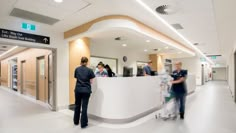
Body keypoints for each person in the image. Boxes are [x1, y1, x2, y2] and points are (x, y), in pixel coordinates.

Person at [73, 57, 95, 128]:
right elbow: (91, 81)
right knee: (84, 107)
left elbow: (77, 78)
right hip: (86, 90)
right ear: (87, 62)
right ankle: (83, 124)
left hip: (78, 90)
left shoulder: (77, 69)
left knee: (77, 105)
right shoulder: (90, 70)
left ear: (81, 61)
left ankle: (76, 121)